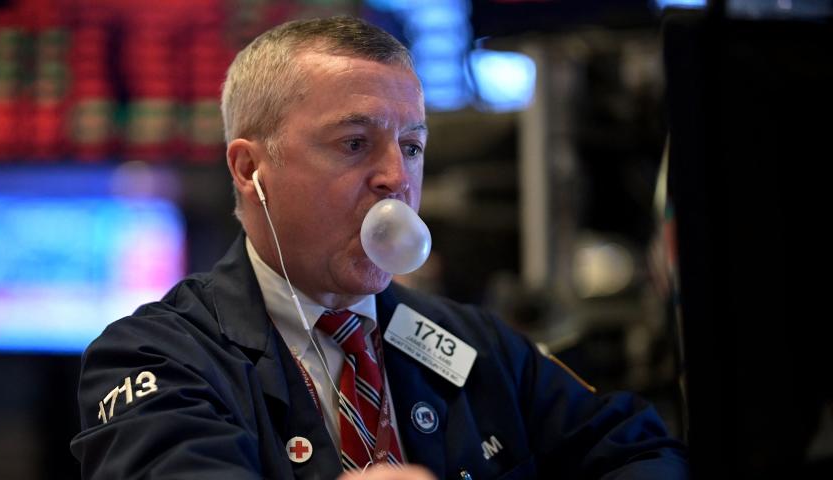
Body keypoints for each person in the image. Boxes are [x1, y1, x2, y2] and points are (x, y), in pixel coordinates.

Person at [70, 16, 689, 479]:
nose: (397, 176)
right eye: (355, 143)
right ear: (249, 169)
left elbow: (643, 452)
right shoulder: (155, 357)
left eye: (412, 146)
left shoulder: (475, 343)